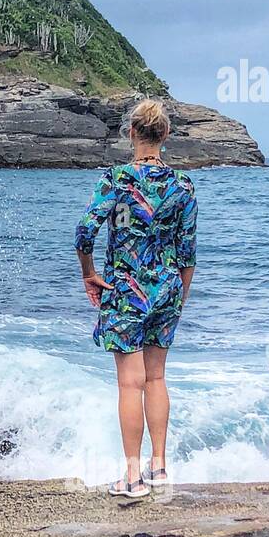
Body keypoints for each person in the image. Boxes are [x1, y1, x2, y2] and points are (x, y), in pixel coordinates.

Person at [74, 99, 197, 498]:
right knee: (157, 377)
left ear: (132, 133)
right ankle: (159, 468)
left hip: (126, 290)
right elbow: (188, 252)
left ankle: (131, 477)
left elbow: (84, 233)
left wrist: (89, 275)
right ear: (165, 135)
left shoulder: (117, 180)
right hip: (168, 289)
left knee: (130, 384)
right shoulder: (182, 186)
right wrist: (180, 296)